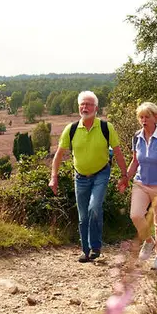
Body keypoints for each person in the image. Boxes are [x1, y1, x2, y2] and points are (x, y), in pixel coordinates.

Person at [49, 90, 122, 263]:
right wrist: (54, 176)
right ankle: (86, 251)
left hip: (101, 173)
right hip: (80, 176)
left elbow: (118, 153)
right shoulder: (71, 129)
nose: (85, 107)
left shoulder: (106, 127)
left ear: (96, 108)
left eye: (88, 104)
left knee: (94, 207)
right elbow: (58, 155)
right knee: (83, 216)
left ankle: (95, 246)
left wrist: (125, 175)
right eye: (82, 104)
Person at [118, 101, 157, 270]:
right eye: (141, 117)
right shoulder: (137, 137)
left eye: (147, 117)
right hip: (141, 183)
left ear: (156, 118)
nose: (143, 120)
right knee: (136, 215)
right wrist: (125, 178)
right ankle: (149, 242)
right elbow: (135, 161)